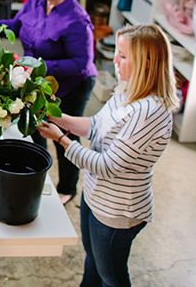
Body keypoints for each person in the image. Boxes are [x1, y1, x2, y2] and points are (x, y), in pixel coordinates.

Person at [38, 24, 177, 287]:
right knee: (93, 263)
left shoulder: (149, 112)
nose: (114, 60)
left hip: (118, 211)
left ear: (147, 63)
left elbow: (108, 165)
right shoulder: (127, 90)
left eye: (123, 56)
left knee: (112, 276)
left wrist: (62, 139)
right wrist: (57, 116)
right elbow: (96, 125)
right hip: (96, 198)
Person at [0, 0, 98, 205]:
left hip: (72, 84)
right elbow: (16, 25)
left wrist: (39, 66)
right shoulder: (35, 1)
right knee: (35, 126)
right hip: (37, 77)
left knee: (65, 132)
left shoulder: (77, 20)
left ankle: (67, 187)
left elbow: (80, 64)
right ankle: (37, 172)